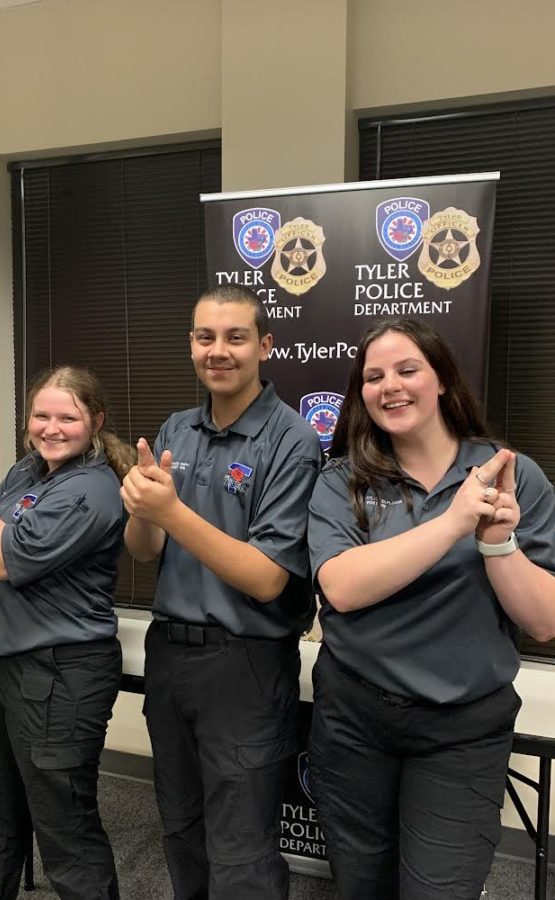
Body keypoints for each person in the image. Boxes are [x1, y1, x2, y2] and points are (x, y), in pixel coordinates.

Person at [307, 316, 555, 900]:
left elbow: (543, 621)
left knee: (441, 889)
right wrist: (453, 524)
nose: (389, 385)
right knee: (359, 881)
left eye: (407, 369)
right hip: (355, 720)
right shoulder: (342, 479)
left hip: (462, 728)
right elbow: (341, 587)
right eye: (373, 376)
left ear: (442, 379)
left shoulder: (508, 474)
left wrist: (498, 543)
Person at [121, 284, 322, 900]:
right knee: (180, 825)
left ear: (265, 345)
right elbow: (144, 550)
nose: (219, 351)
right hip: (171, 656)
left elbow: (267, 577)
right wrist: (141, 507)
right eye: (205, 337)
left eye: (235, 337)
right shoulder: (178, 427)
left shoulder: (292, 440)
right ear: (191, 345)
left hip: (246, 665)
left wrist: (172, 510)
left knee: (242, 845)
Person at [0, 366, 135, 900]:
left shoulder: (94, 489)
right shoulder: (32, 469)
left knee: (63, 824)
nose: (51, 427)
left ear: (95, 420)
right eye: (41, 415)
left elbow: (5, 558)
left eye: (67, 417)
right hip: (4, 661)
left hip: (60, 673)